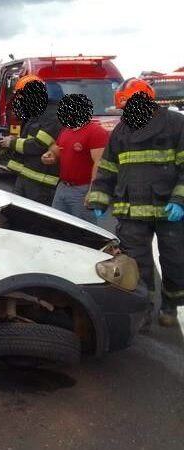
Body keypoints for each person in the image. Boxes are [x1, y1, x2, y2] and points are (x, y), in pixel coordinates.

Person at [87, 78, 184, 327]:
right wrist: (99, 197)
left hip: (168, 210)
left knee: (175, 261)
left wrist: (179, 200)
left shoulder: (176, 124)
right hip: (131, 211)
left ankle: (171, 306)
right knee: (136, 265)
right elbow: (108, 168)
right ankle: (144, 311)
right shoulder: (121, 130)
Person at [0, 75, 63, 206]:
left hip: (42, 183)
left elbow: (39, 145)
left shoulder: (54, 115)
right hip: (25, 177)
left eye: (22, 97)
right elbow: (29, 139)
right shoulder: (37, 113)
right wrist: (15, 140)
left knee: (38, 222)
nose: (20, 100)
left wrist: (11, 143)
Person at [44, 94, 109, 223]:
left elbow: (100, 163)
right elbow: (56, 150)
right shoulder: (66, 130)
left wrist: (93, 191)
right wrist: (49, 155)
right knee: (56, 225)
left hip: (81, 191)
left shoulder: (96, 132)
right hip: (62, 187)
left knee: (83, 230)